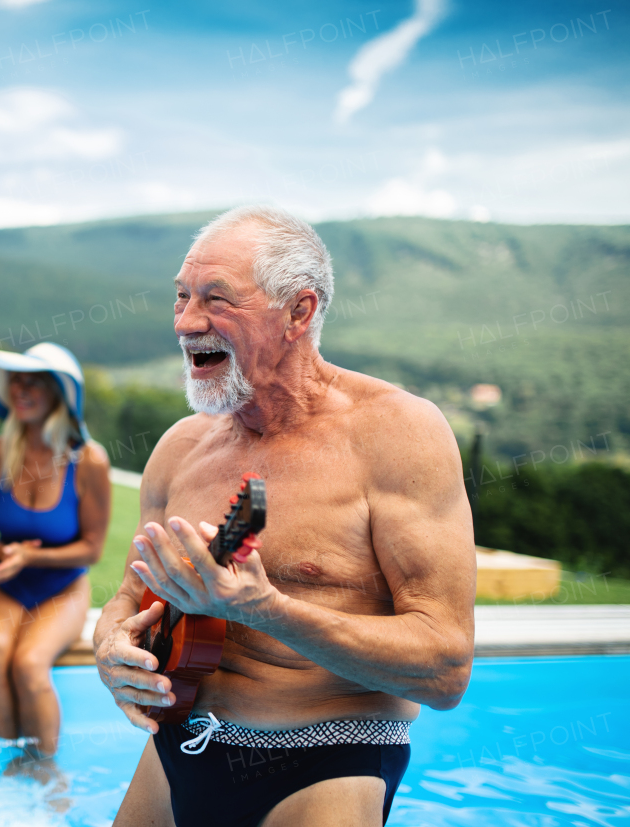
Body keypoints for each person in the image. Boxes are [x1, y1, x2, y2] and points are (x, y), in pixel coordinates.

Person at [94, 206, 476, 827]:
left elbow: (445, 668)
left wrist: (265, 610)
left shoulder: (397, 434)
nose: (188, 322)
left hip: (325, 763)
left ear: (299, 312)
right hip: (177, 752)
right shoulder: (180, 450)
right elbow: (130, 597)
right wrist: (109, 646)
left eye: (217, 300)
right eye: (182, 297)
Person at [0, 343, 111, 761]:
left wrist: (32, 558)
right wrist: (6, 554)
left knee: (30, 664)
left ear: (59, 394)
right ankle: (12, 759)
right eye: (16, 380)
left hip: (62, 586)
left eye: (35, 382)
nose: (21, 389)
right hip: (4, 583)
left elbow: (92, 549)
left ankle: (45, 773)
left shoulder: (89, 461)